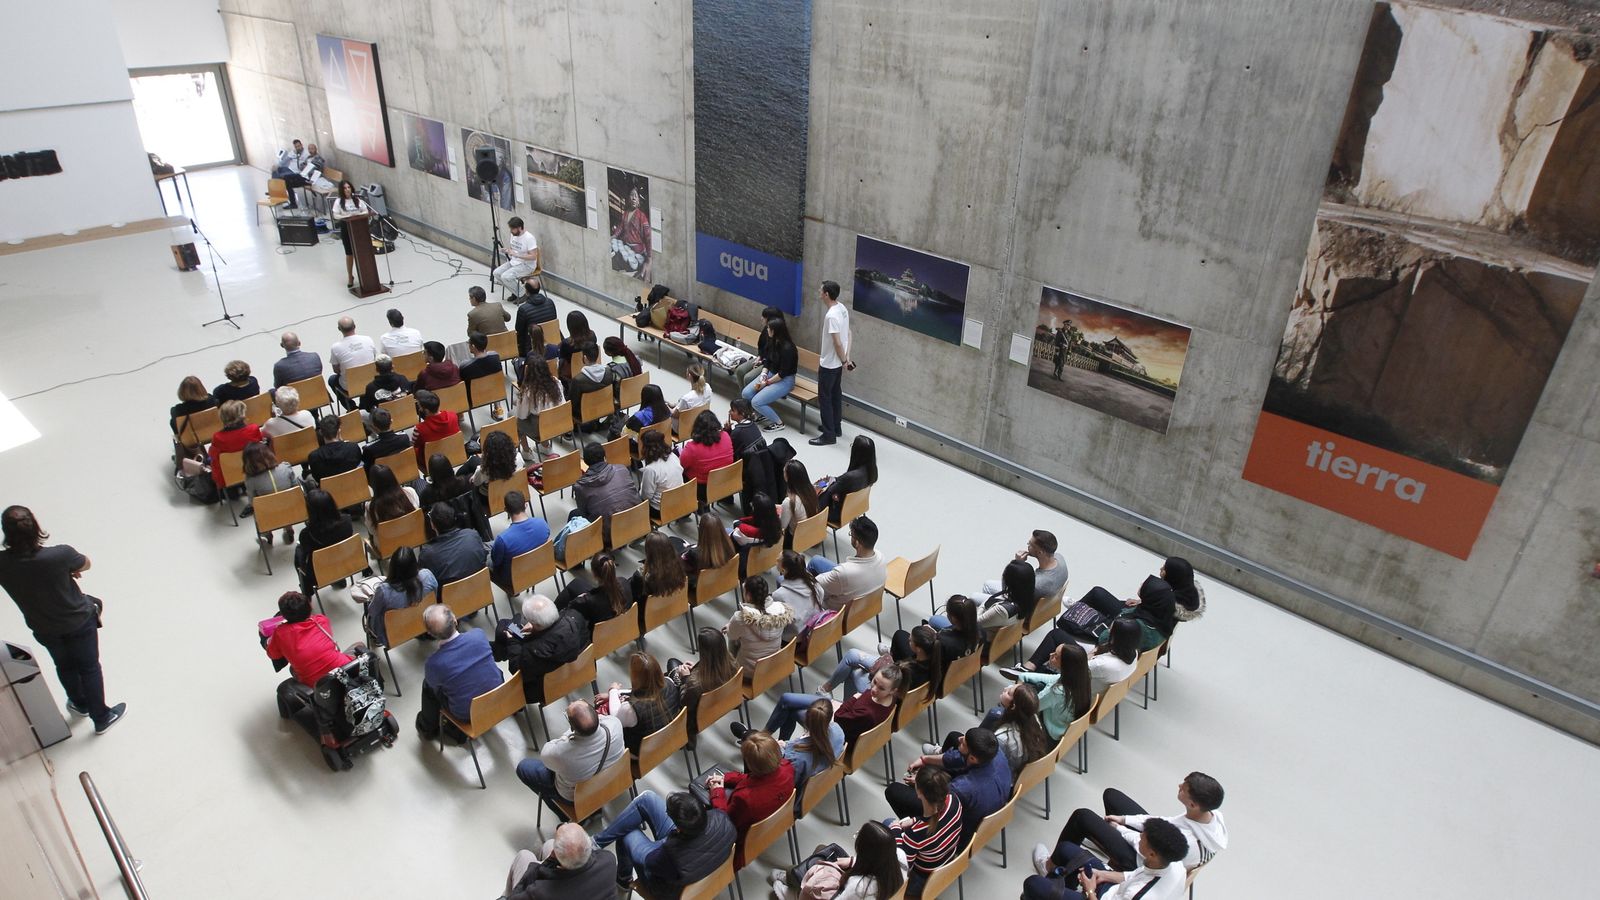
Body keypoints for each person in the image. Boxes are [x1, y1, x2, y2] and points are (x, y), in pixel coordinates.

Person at [0, 507, 126, 734]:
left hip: (44, 627)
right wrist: (65, 570)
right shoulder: (59, 555)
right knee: (89, 668)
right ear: (36, 526)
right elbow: (85, 563)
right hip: (78, 621)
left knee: (64, 665)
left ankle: (79, 703)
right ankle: (102, 716)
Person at [1043, 772, 1227, 876]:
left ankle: (1052, 865)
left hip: (1143, 862)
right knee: (1112, 796)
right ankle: (1104, 838)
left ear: (1193, 804)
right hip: (1156, 845)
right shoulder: (1210, 815)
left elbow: (1144, 848)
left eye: (1183, 788)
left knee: (1081, 817)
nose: (1179, 785)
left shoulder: (1187, 841)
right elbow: (1164, 823)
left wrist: (1119, 829)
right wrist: (1125, 819)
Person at [593, 790, 735, 894]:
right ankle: (596, 842)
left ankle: (623, 879)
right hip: (694, 851)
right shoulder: (723, 818)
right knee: (647, 799)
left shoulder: (671, 854)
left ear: (678, 828)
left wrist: (667, 843)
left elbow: (648, 863)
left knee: (626, 832)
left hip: (666, 883)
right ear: (702, 807)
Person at [890, 728, 1011, 843]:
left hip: (961, 830)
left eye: (964, 744)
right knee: (954, 736)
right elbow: (959, 757)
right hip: (987, 807)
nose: (960, 739)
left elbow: (938, 804)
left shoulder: (961, 789)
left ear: (973, 758)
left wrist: (922, 783)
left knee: (893, 791)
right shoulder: (995, 752)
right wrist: (925, 759)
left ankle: (913, 829)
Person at [1022, 818, 1190, 900]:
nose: (1138, 838)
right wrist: (1102, 874)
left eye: (1142, 839)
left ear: (1152, 853)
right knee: (1066, 849)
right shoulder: (1175, 865)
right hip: (1113, 891)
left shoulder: (1138, 895)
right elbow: (1134, 875)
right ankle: (1061, 888)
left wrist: (1089, 891)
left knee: (1033, 884)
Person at [265, 590, 357, 738]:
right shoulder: (321, 621)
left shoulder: (280, 633)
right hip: (344, 669)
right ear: (309, 606)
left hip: (317, 684)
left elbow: (272, 654)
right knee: (357, 645)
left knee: (292, 669)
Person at [514, 700, 626, 821]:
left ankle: (566, 816)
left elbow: (546, 753)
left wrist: (566, 736)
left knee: (523, 767)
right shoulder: (615, 724)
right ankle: (594, 809)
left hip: (574, 797)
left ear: (572, 727)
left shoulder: (563, 754)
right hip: (610, 783)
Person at [748, 664, 902, 745]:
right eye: (874, 682)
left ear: (893, 690)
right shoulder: (889, 699)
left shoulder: (869, 713)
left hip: (835, 727)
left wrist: (855, 697)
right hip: (840, 711)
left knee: (791, 710)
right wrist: (852, 701)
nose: (874, 689)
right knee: (786, 698)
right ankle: (766, 736)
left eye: (881, 688)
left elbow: (841, 717)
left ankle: (775, 744)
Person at [708, 730, 795, 867]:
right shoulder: (787, 768)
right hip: (776, 824)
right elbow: (757, 779)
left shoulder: (744, 798)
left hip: (742, 841)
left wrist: (717, 792)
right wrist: (726, 778)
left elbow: (726, 822)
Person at [416, 604, 503, 740]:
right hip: (499, 697)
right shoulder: (478, 635)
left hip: (467, 714)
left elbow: (435, 686)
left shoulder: (434, 664)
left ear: (430, 634)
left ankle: (427, 727)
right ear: (455, 620)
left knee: (428, 686)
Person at [771, 820, 906, 900]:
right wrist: (852, 861)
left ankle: (792, 890)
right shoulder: (900, 856)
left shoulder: (858, 887)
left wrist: (821, 875)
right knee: (821, 849)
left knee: (796, 871)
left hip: (843, 894)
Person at [495, 594, 589, 705]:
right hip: (574, 673)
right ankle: (497, 650)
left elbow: (515, 668)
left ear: (537, 624)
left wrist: (512, 641)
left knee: (505, 627)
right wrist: (536, 630)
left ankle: (497, 651)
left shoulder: (532, 651)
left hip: (539, 689)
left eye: (527, 619)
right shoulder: (575, 618)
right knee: (507, 629)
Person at [887, 766, 963, 899]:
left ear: (919, 792)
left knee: (888, 824)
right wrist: (914, 820)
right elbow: (934, 816)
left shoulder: (916, 834)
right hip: (949, 858)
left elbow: (903, 864)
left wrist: (896, 831)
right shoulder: (954, 800)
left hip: (922, 878)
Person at [503, 821, 619, 899]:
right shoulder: (609, 860)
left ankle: (504, 896)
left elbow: (520, 892)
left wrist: (547, 862)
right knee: (548, 845)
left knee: (524, 856)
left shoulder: (540, 892)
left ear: (560, 862)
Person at [1010, 642, 1092, 740]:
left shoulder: (1057, 692)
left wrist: (1014, 693)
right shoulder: (1081, 677)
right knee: (1035, 684)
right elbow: (1051, 678)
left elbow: (1031, 707)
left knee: (999, 711)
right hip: (1065, 727)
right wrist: (1023, 676)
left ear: (1065, 665)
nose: (1050, 655)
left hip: (1050, 734)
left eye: (1056, 656)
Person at [666, 628, 737, 740]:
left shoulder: (695, 684)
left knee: (672, 663)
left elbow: (684, 703)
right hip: (716, 703)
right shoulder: (732, 664)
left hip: (693, 716)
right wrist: (695, 668)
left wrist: (685, 678)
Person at [807, 515, 887, 611]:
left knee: (802, 583)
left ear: (857, 543)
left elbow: (815, 586)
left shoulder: (844, 572)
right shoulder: (881, 558)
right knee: (816, 561)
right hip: (859, 594)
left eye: (851, 535)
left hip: (831, 608)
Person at [608, 651, 682, 753]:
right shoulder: (669, 682)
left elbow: (615, 718)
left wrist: (613, 691)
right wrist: (619, 692)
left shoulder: (631, 709)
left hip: (639, 753)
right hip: (665, 741)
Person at [365, 546, 436, 647]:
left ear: (392, 566)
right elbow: (434, 597)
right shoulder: (428, 575)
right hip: (421, 621)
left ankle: (376, 639)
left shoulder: (384, 590)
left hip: (392, 632)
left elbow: (372, 611)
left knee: (369, 609)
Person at [572, 442, 643, 544]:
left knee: (575, 514)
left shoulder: (581, 486)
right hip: (636, 521)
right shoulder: (622, 469)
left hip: (608, 535)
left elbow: (584, 513)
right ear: (604, 457)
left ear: (586, 462)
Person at [810, 280, 853, 446]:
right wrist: (846, 359)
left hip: (829, 364)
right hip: (837, 364)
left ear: (826, 294)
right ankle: (836, 427)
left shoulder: (831, 316)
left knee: (825, 398)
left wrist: (844, 360)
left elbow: (837, 342)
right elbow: (848, 333)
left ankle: (829, 435)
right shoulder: (842, 309)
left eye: (821, 290)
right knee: (835, 394)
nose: (819, 292)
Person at [724, 576, 794, 672]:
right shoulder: (781, 610)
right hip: (772, 665)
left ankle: (732, 668)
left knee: (733, 637)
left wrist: (729, 626)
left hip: (749, 671)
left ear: (748, 595)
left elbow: (731, 634)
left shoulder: (741, 618)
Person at [293, 489, 355, 595]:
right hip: (347, 563)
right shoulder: (347, 521)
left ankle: (307, 592)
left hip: (320, 572)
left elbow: (305, 556)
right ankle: (339, 579)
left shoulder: (307, 534)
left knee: (298, 552)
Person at [742, 317, 798, 430]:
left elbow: (783, 373)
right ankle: (763, 414)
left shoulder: (788, 349)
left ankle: (779, 423)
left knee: (756, 402)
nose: (767, 330)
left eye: (769, 328)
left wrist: (766, 383)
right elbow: (767, 360)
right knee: (746, 393)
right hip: (771, 373)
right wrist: (763, 374)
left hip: (785, 380)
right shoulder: (772, 341)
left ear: (775, 331)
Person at [490, 491, 550, 594]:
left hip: (513, 579)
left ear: (506, 510)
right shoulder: (542, 523)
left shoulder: (503, 539)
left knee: (486, 558)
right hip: (540, 567)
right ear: (526, 505)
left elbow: (496, 562)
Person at [780, 697, 844, 794]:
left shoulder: (795, 758)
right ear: (830, 716)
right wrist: (787, 745)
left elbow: (788, 784)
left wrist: (780, 750)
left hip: (798, 798)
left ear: (806, 720)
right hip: (820, 787)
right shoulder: (838, 731)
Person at [242, 442, 300, 546]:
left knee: (257, 512)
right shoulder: (286, 467)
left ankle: (267, 534)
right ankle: (289, 528)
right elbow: (296, 488)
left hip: (269, 516)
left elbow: (252, 502)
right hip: (293, 510)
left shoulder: (250, 481)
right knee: (285, 502)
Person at [420, 502, 488, 586]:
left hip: (450, 598)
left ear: (432, 525)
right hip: (480, 589)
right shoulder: (472, 535)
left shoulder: (427, 554)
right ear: (455, 518)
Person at [555, 552, 633, 624]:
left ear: (594, 574)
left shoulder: (587, 601)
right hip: (621, 627)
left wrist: (578, 599)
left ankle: (551, 613)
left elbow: (570, 607)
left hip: (596, 635)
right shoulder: (625, 582)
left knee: (574, 585)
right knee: (577, 583)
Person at [206, 400, 264, 491]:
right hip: (255, 469)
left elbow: (214, 460)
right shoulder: (253, 429)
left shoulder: (218, 438)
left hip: (230, 476)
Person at [817, 436, 878, 520]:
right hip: (854, 507)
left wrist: (819, 484)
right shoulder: (872, 471)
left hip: (836, 513)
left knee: (813, 491)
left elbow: (829, 491)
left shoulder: (850, 477)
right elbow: (838, 483)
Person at [330, 180, 375, 288]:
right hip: (347, 228)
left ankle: (368, 275)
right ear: (342, 190)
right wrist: (347, 217)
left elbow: (365, 211)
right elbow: (336, 215)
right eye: (345, 188)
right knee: (350, 253)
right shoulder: (339, 201)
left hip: (359, 228)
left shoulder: (357, 200)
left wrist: (357, 215)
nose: (347, 190)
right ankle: (350, 276)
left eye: (349, 187)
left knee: (363, 252)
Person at [327, 316, 377, 410]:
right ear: (354, 326)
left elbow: (336, 370)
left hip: (350, 386)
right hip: (371, 381)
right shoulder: (368, 339)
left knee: (332, 380)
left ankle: (352, 408)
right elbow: (373, 359)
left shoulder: (336, 347)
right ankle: (365, 406)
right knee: (364, 378)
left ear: (339, 329)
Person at [680, 410, 733, 496]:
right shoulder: (726, 436)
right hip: (723, 482)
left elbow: (681, 467)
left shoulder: (692, 448)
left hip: (700, 488)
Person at [568, 342, 618, 429]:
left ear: (584, 358)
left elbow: (572, 403)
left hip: (585, 412)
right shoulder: (609, 372)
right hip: (604, 407)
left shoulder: (578, 380)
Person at [733, 306, 786, 387]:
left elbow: (775, 359)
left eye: (764, 317)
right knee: (740, 370)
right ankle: (744, 397)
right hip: (763, 359)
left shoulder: (781, 337)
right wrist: (759, 356)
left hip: (771, 365)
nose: (761, 318)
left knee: (748, 378)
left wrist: (763, 362)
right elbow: (761, 345)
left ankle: (749, 397)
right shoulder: (766, 329)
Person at [608, 183, 652, 280]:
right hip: (626, 246)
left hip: (638, 252)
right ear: (628, 198)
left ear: (639, 200)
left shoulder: (642, 216)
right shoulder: (626, 213)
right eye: (632, 195)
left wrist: (649, 259)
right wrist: (613, 236)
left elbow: (648, 237)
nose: (634, 198)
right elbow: (620, 228)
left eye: (636, 196)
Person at [363, 463, 418, 535]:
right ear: (393, 477)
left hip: (388, 544)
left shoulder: (370, 507)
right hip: (413, 536)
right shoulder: (410, 492)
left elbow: (372, 531)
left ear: (373, 483)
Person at [772, 550, 824, 625]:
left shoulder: (779, 595)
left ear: (783, 570)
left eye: (777, 560)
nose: (775, 560)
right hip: (815, 625)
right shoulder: (813, 582)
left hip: (796, 634)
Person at [411, 389, 462, 466]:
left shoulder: (419, 429)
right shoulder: (453, 416)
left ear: (426, 411)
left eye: (419, 406)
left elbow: (415, 445)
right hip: (454, 453)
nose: (419, 409)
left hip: (431, 462)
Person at [637, 430, 684, 513]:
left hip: (660, 509)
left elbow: (646, 496)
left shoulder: (650, 470)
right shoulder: (673, 456)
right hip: (679, 501)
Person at [307, 415, 362, 483]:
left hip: (328, 492)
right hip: (355, 486)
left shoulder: (314, 456)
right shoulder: (353, 448)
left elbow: (318, 479)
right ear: (339, 431)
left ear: (321, 433)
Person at [494, 217, 541, 295]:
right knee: (496, 273)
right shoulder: (513, 235)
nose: (511, 231)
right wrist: (507, 250)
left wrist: (517, 255)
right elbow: (513, 249)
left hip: (527, 265)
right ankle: (516, 293)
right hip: (514, 262)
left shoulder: (529, 238)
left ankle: (523, 294)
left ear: (519, 228)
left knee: (506, 277)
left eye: (512, 229)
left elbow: (533, 256)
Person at [515, 277, 559, 355]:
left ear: (526, 291)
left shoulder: (523, 309)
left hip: (532, 346)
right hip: (552, 341)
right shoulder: (550, 302)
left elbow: (519, 330)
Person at [778, 460, 820, 535]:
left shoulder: (789, 501)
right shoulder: (811, 490)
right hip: (812, 533)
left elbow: (782, 527)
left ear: (788, 477)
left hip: (795, 539)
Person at [557, 310, 595, 384]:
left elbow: (562, 359)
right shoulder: (593, 336)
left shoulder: (567, 344)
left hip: (572, 373)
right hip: (590, 367)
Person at [1163, 557, 1206, 622]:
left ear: (1173, 576)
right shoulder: (1186, 595)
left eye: (1164, 569)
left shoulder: (1164, 601)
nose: (1160, 569)